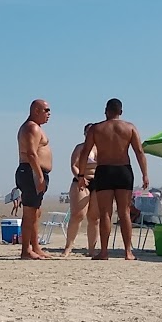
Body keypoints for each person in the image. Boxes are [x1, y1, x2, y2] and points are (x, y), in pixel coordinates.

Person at [81, 99, 149, 261]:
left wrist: (81, 175)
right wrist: (145, 174)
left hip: (104, 170)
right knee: (124, 212)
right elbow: (139, 152)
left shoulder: (96, 128)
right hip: (123, 170)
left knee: (105, 213)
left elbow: (85, 152)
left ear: (106, 110)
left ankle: (104, 252)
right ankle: (127, 252)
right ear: (121, 111)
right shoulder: (130, 127)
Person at [15, 99, 53, 260]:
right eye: (46, 110)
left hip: (35, 172)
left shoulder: (36, 128)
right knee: (30, 213)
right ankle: (25, 250)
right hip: (31, 172)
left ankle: (35, 247)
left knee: (36, 212)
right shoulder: (32, 127)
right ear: (36, 110)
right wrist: (38, 176)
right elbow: (31, 153)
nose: (49, 114)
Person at [63, 124, 98, 257]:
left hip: (97, 182)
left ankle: (92, 249)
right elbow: (74, 165)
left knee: (95, 218)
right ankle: (68, 247)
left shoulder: (102, 147)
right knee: (78, 215)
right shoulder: (80, 148)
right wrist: (80, 177)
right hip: (82, 180)